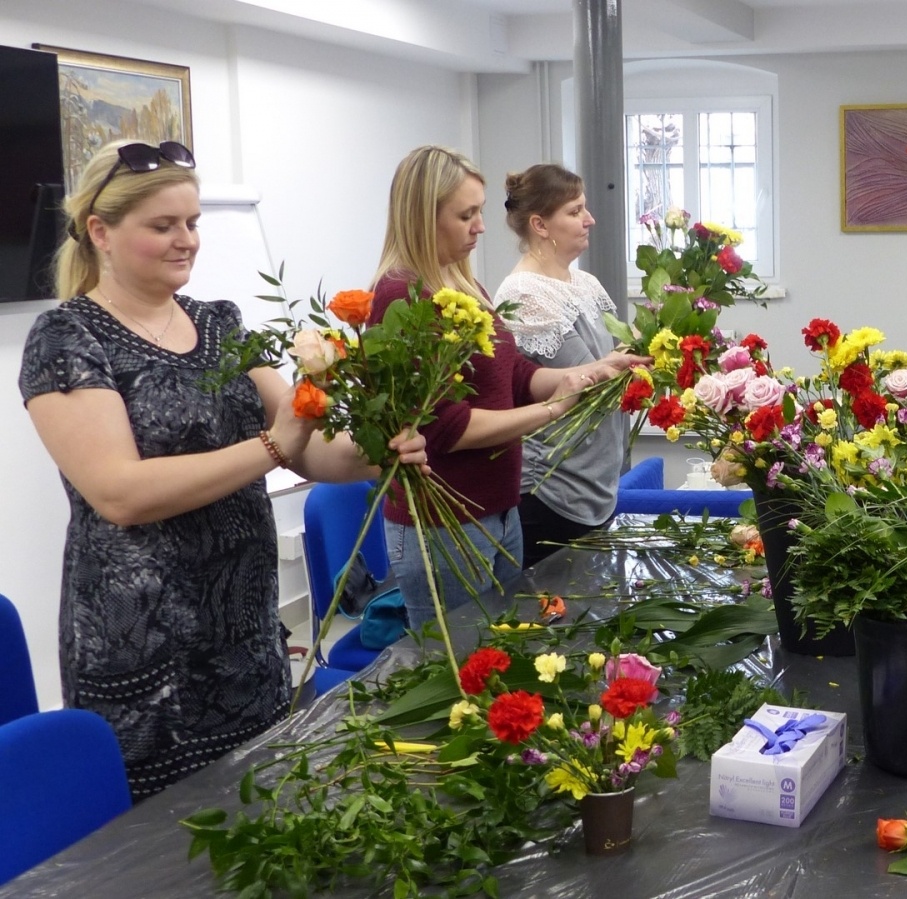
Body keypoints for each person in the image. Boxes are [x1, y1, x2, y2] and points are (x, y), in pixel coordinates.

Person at [18, 140, 427, 800]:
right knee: (164, 849)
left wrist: (381, 446)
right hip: (146, 655)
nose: (187, 240)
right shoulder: (67, 337)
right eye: (163, 226)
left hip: (244, 636)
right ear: (101, 232)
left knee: (262, 812)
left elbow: (313, 449)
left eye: (193, 222)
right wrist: (272, 445)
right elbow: (119, 492)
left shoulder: (219, 324)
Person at [369, 146, 645, 627]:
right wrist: (556, 408)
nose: (481, 225)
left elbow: (513, 373)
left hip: (498, 509)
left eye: (478, 211)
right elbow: (445, 429)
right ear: (421, 216)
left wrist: (581, 375)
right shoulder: (401, 295)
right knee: (457, 667)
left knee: (504, 654)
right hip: (447, 525)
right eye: (466, 214)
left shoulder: (459, 280)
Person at [496, 164, 624, 566]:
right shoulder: (524, 294)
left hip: (596, 486)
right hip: (553, 491)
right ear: (540, 224)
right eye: (575, 211)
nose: (590, 220)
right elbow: (595, 385)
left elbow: (621, 361)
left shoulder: (585, 283)